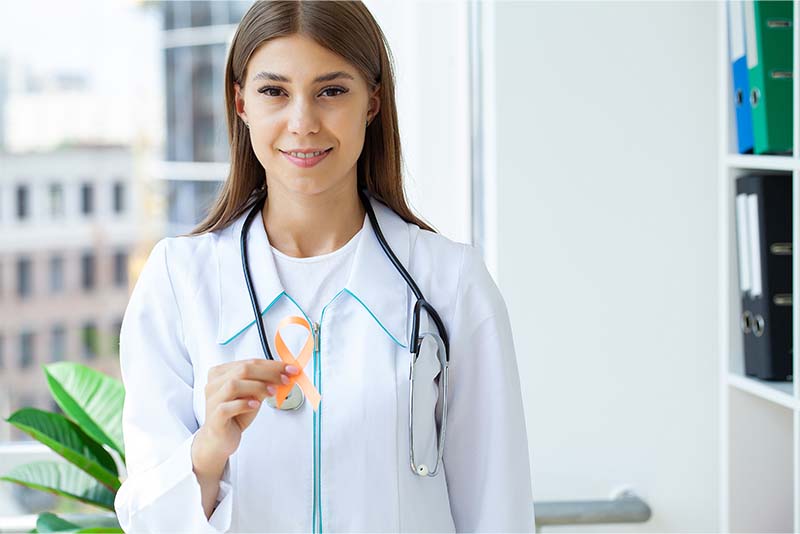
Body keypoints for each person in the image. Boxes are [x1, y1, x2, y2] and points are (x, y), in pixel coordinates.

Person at [113, 1, 534, 532]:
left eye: (331, 91)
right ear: (241, 103)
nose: (302, 123)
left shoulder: (450, 283)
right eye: (274, 92)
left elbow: (499, 510)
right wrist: (207, 452)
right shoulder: (179, 282)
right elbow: (148, 521)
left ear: (372, 103)